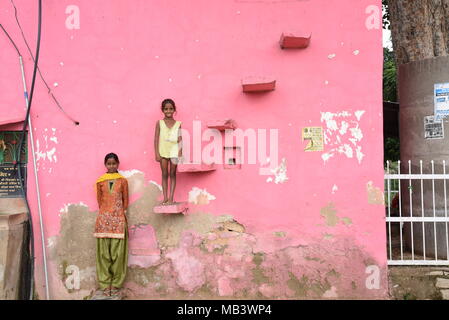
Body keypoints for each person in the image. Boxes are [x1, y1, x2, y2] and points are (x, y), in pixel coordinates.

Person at [94, 153, 129, 298]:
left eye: (114, 163)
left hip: (119, 221)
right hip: (103, 221)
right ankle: (104, 284)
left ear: (118, 164)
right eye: (109, 163)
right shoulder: (100, 182)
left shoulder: (123, 181)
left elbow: (125, 200)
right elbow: (99, 201)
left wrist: (119, 215)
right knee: (103, 254)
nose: (111, 166)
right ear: (105, 165)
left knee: (118, 254)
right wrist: (106, 214)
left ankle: (115, 284)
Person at [154, 98, 183, 205]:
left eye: (171, 109)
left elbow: (180, 139)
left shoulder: (178, 123)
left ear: (174, 110)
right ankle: (165, 197)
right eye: (166, 109)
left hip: (174, 152)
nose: (168, 111)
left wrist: (180, 153)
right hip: (163, 152)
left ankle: (171, 198)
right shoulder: (159, 123)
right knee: (164, 174)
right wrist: (157, 153)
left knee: (173, 174)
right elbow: (156, 138)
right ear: (162, 110)